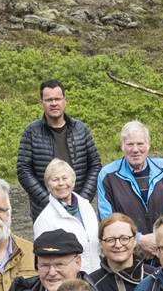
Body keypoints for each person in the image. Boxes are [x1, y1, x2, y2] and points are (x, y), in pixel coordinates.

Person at [96, 121, 163, 251]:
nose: (135, 149)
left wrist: (160, 238)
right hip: (127, 250)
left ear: (148, 145)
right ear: (122, 146)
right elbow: (107, 219)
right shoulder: (107, 176)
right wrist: (139, 240)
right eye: (130, 144)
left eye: (140, 144)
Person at [16, 81, 102, 214]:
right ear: (41, 103)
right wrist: (48, 201)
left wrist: (82, 200)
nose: (54, 103)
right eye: (49, 100)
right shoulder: (31, 132)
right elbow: (23, 170)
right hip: (45, 211)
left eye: (57, 99)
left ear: (65, 101)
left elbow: (95, 165)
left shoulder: (81, 129)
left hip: (80, 209)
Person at [31, 159, 102, 271]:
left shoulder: (86, 206)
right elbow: (45, 261)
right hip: (71, 282)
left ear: (73, 182)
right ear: (48, 185)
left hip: (97, 274)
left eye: (65, 178)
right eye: (55, 179)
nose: (61, 183)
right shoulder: (44, 220)